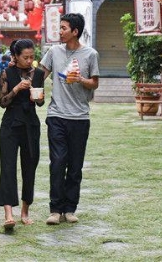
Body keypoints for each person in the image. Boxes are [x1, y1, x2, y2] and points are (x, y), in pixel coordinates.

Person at [39, 13, 99, 225]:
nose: (60, 31)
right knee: (57, 163)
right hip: (56, 115)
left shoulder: (90, 54)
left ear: (75, 31)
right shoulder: (53, 52)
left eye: (64, 28)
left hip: (80, 117)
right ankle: (55, 210)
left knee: (75, 166)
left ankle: (70, 209)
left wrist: (80, 79)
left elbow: (94, 83)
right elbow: (40, 75)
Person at [0, 39, 45, 230]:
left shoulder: (38, 73)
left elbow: (40, 103)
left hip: (30, 124)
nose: (29, 60)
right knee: (8, 167)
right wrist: (16, 89)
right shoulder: (7, 73)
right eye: (25, 57)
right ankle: (8, 214)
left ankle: (25, 211)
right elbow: (2, 102)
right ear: (16, 56)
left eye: (32, 57)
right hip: (10, 124)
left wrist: (37, 97)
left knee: (30, 167)